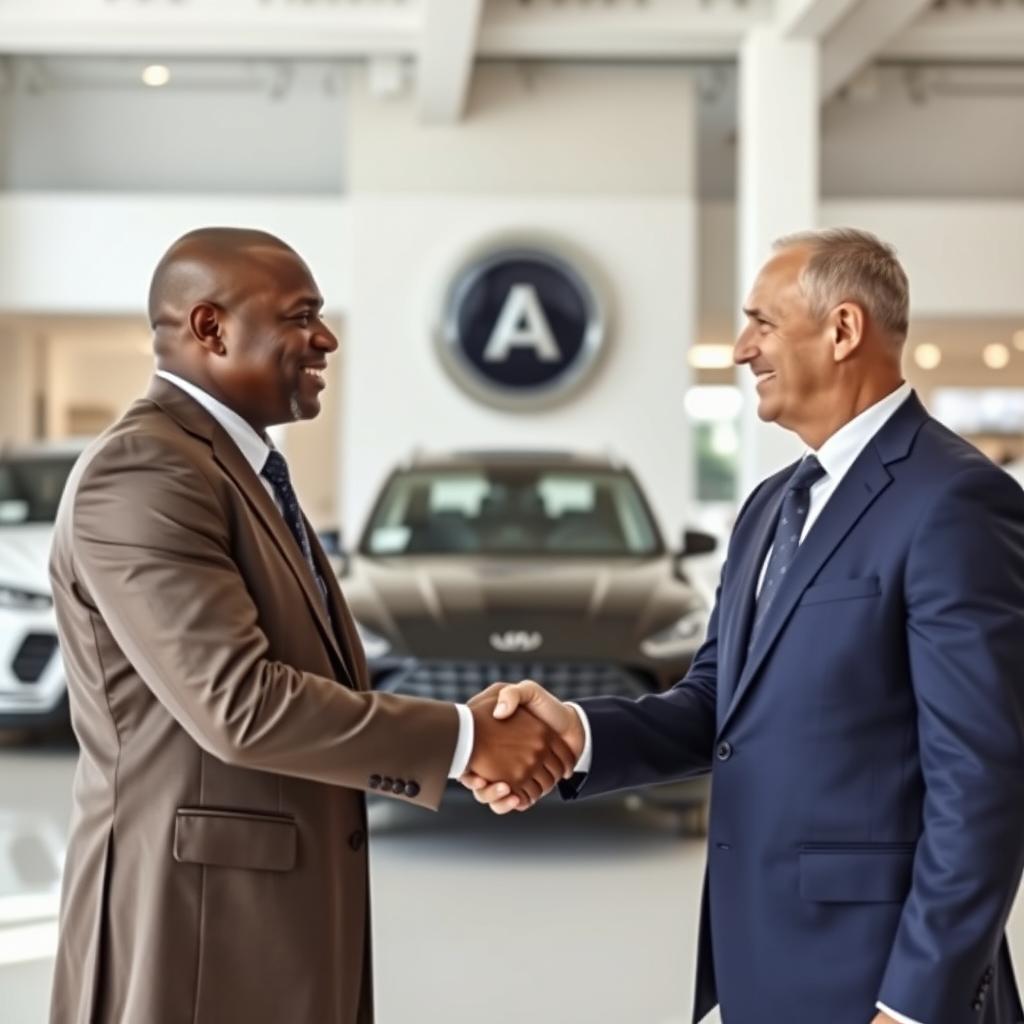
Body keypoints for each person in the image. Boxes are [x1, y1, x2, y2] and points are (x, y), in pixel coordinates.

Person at [466, 229, 1024, 1024]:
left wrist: (911, 1005)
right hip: (756, 961)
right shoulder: (768, 505)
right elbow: (717, 704)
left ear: (842, 330)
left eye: (761, 323)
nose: (739, 349)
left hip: (878, 977)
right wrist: (576, 734)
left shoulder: (955, 502)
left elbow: (984, 782)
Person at [48, 227, 576, 1024]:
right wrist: (465, 741)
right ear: (210, 327)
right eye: (301, 317)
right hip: (194, 924)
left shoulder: (241, 470)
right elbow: (240, 705)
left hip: (267, 913)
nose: (325, 339)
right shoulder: (144, 470)